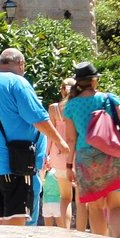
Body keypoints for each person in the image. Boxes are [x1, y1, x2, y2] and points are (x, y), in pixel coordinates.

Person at [0, 48, 66, 225]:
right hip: (14, 163)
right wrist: (61, 143)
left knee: (3, 220)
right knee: (17, 223)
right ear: (21, 64)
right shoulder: (17, 83)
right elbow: (38, 118)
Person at [59, 63, 120, 237]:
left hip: (86, 158)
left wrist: (69, 166)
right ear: (94, 81)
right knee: (116, 206)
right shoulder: (109, 99)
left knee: (95, 208)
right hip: (112, 154)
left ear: (78, 82)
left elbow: (71, 139)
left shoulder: (70, 106)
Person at [46, 77, 76, 229]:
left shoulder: (54, 108)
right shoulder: (78, 107)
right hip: (77, 155)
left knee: (65, 197)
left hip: (58, 155)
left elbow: (50, 135)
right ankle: (82, 229)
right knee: (84, 198)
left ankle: (66, 231)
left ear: (62, 89)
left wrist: (46, 155)